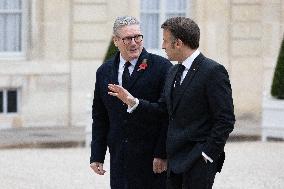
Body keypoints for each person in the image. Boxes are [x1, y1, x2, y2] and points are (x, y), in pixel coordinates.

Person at [108, 17, 235, 189]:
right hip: (174, 162)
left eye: (165, 41)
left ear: (178, 43)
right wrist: (134, 102)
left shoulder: (213, 71)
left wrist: (207, 154)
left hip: (198, 161)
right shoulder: (174, 71)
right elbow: (162, 110)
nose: (162, 46)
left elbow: (225, 119)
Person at [90, 16, 172, 189]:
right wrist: (97, 155)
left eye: (138, 37)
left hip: (151, 158)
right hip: (119, 157)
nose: (134, 43)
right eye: (128, 38)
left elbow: (167, 114)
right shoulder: (104, 71)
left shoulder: (162, 67)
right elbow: (100, 116)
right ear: (116, 41)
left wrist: (162, 153)